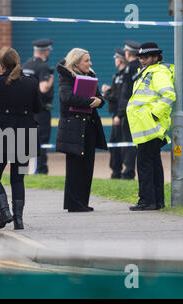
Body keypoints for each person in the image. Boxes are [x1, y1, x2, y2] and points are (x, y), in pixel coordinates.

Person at [0, 47, 42, 230]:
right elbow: (38, 108)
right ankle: (18, 220)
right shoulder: (31, 83)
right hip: (24, 135)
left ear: (1, 64)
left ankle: (5, 213)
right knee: (18, 179)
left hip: (1, 136)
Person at [55, 48, 107, 212]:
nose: (90, 63)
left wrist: (99, 101)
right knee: (75, 167)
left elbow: (99, 97)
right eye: (86, 60)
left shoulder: (91, 75)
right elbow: (67, 97)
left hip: (89, 126)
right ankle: (73, 203)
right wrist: (89, 102)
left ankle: (83, 202)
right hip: (73, 127)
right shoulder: (66, 76)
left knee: (88, 166)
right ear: (77, 62)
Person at [126, 42, 175, 211]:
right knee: (153, 164)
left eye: (146, 57)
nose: (142, 60)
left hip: (150, 126)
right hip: (146, 127)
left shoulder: (158, 72)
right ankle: (156, 201)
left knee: (145, 164)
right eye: (140, 57)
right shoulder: (147, 72)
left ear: (155, 57)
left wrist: (154, 115)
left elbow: (169, 95)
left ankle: (147, 201)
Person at [22, 39, 55, 175]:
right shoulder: (43, 66)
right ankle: (41, 170)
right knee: (41, 141)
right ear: (46, 51)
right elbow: (43, 88)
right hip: (40, 111)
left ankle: (22, 169)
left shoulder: (26, 65)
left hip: (26, 110)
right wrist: (51, 77)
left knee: (26, 140)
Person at [117, 40, 142, 179]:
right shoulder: (138, 67)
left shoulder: (130, 68)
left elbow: (126, 94)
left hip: (130, 111)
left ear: (128, 52)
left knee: (129, 141)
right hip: (134, 110)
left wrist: (120, 113)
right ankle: (129, 170)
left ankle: (129, 171)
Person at [102, 48, 127, 179]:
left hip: (121, 115)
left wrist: (106, 93)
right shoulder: (117, 76)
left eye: (116, 58)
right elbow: (116, 93)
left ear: (121, 59)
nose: (115, 60)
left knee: (122, 145)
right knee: (114, 144)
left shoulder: (125, 75)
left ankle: (125, 172)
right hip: (116, 115)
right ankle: (115, 171)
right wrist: (109, 90)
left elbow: (120, 97)